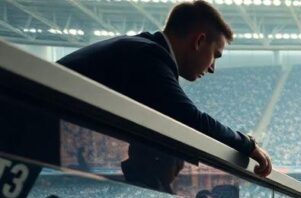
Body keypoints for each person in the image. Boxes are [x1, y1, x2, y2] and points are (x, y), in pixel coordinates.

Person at [56, 0, 272, 177]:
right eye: (215, 55)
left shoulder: (142, 50)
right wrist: (247, 144)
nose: (213, 68)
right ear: (199, 41)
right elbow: (190, 119)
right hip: (31, 127)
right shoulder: (148, 57)